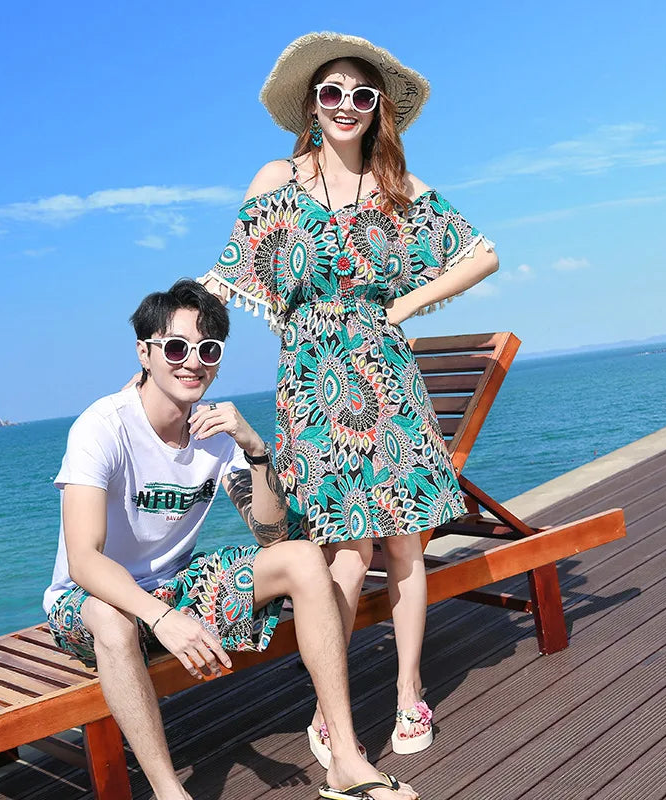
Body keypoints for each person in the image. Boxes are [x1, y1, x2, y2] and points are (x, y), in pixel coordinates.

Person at [199, 32, 499, 761]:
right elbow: (227, 278)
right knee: (338, 548)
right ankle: (333, 710)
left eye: (361, 95)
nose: (345, 105)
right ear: (311, 102)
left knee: (402, 543)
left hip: (390, 383)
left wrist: (401, 308)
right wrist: (173, 353)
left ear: (377, 110)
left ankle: (406, 694)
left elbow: (482, 253)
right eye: (331, 92)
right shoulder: (278, 178)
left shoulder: (399, 189)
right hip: (311, 385)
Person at [44, 279, 419, 800]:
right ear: (145, 352)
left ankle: (346, 760)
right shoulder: (102, 427)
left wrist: (255, 447)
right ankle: (170, 792)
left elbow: (270, 534)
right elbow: (84, 561)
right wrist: (162, 617)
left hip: (175, 586)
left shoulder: (214, 428)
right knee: (112, 617)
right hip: (89, 601)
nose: (191, 362)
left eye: (208, 350)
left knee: (304, 558)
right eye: (176, 347)